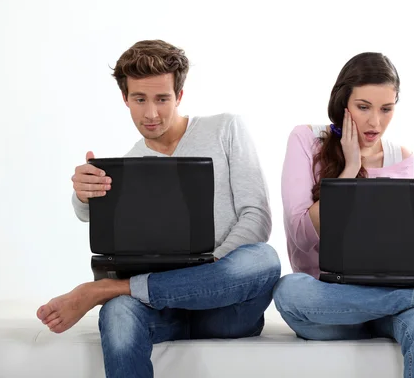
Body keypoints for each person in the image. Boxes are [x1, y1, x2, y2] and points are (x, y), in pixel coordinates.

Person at [36, 39, 281, 378]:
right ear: (125, 99)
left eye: (162, 99)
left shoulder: (226, 129)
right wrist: (83, 194)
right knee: (118, 313)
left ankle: (105, 290)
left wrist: (206, 274)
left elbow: (257, 218)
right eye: (139, 99)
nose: (151, 113)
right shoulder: (127, 165)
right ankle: (118, 293)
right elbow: (87, 214)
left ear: (179, 96)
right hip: (161, 309)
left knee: (264, 259)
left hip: (227, 308)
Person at [273, 52, 414, 377]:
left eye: (387, 109)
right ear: (343, 103)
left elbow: (405, 247)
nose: (375, 123)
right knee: (289, 290)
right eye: (363, 107)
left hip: (386, 299)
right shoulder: (306, 139)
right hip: (327, 304)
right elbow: (301, 237)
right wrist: (351, 168)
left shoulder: (402, 158)